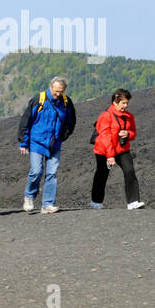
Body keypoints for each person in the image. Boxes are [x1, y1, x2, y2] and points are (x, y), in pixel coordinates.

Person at [19, 76, 76, 214]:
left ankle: (48, 204)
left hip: (55, 143)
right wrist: (23, 142)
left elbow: (71, 121)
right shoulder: (39, 100)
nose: (58, 94)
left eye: (60, 91)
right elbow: (26, 121)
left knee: (52, 173)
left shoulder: (66, 102)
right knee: (36, 171)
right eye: (56, 91)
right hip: (37, 142)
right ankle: (29, 196)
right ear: (50, 87)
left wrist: (63, 136)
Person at [89, 89, 143, 210]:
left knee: (130, 171)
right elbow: (105, 137)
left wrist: (128, 134)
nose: (126, 106)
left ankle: (133, 202)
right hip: (104, 150)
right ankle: (96, 202)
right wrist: (110, 156)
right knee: (102, 175)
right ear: (115, 102)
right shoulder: (105, 116)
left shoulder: (129, 116)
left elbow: (134, 132)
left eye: (127, 103)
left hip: (122, 149)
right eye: (123, 103)